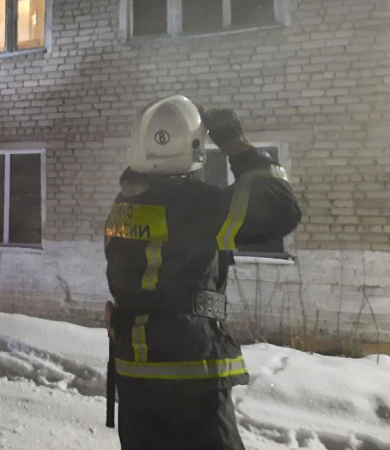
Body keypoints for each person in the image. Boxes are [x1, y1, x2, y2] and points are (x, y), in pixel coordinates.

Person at [104, 95, 301, 450]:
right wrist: (238, 147)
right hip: (189, 371)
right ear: (194, 146)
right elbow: (282, 209)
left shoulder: (126, 203)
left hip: (135, 369)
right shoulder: (197, 205)